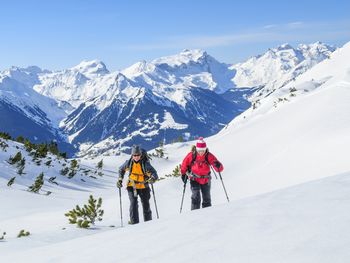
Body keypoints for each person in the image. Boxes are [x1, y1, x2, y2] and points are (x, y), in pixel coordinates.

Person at [117, 145, 158, 224]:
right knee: (133, 204)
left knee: (146, 205)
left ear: (140, 155)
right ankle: (134, 225)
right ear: (132, 155)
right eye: (134, 155)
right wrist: (120, 179)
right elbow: (121, 169)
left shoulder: (145, 164)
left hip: (144, 186)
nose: (136, 157)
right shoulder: (129, 163)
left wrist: (152, 178)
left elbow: (154, 173)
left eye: (137, 155)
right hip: (132, 186)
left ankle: (148, 224)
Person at [180, 137, 223, 210]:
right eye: (199, 150)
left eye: (203, 150)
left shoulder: (209, 156)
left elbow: (220, 169)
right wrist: (183, 174)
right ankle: (194, 215)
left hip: (206, 179)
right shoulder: (191, 155)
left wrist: (218, 166)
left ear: (205, 149)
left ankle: (206, 215)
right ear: (196, 149)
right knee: (195, 197)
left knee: (207, 199)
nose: (201, 152)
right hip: (194, 179)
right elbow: (184, 164)